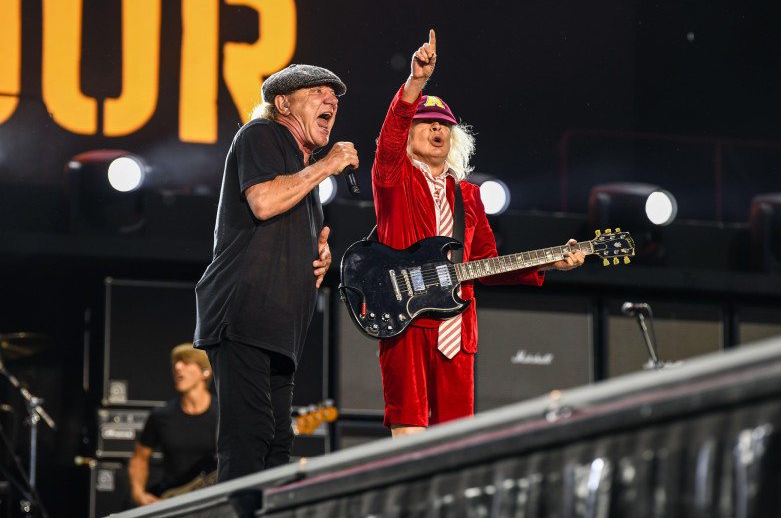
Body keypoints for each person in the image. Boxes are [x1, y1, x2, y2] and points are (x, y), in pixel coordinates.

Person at [372, 30, 586, 437]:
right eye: (427, 122)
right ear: (409, 132)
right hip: (408, 322)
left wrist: (549, 263)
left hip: (457, 328)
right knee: (408, 437)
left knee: (456, 441)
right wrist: (416, 82)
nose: (437, 130)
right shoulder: (395, 180)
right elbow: (389, 139)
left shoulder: (468, 195)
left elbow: (486, 264)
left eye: (444, 125)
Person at [194, 64, 357, 481]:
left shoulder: (305, 175)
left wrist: (317, 254)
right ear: (283, 104)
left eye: (334, 97)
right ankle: (237, 509)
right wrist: (327, 165)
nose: (331, 101)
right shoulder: (260, 134)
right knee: (249, 438)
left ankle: (266, 509)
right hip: (242, 314)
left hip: (281, 328)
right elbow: (264, 202)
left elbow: (281, 225)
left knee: (278, 443)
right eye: (317, 92)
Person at [128, 343, 218, 506]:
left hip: (211, 502)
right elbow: (139, 458)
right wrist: (138, 493)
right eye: (175, 363)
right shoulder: (161, 416)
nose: (177, 367)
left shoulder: (222, 414)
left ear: (205, 371)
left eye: (186, 362)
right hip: (171, 499)